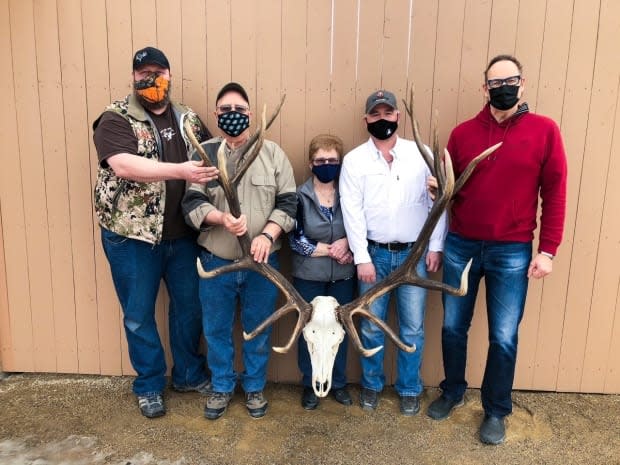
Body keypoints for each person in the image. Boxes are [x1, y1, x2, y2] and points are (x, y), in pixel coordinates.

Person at [426, 54, 568, 445]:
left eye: (510, 80)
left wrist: (548, 250)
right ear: (484, 88)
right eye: (495, 82)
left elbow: (555, 193)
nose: (503, 87)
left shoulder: (544, 131)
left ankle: (495, 410)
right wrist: (436, 188)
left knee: (503, 336)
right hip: (462, 246)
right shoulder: (463, 134)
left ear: (522, 84)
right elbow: (445, 186)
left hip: (512, 249)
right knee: (454, 327)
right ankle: (452, 391)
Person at [93, 46, 218, 418]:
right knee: (138, 313)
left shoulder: (189, 119)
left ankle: (189, 373)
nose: (151, 79)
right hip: (132, 237)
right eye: (143, 73)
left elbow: (214, 155)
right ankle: (149, 384)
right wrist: (181, 170)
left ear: (169, 75)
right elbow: (123, 165)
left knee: (189, 307)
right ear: (133, 78)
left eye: (158, 72)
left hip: (182, 237)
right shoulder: (115, 118)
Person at [182, 82, 297, 420]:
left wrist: (268, 234)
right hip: (216, 263)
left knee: (257, 328)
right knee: (215, 329)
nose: (233, 115)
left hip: (262, 265)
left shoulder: (272, 153)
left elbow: (289, 202)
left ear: (250, 113)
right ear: (216, 115)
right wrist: (220, 218)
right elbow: (191, 202)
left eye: (240, 110)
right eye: (225, 110)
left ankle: (254, 388)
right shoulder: (201, 153)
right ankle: (221, 388)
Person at [339, 90, 447, 416]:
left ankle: (409, 388)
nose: (382, 119)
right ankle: (372, 385)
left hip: (415, 255)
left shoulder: (422, 154)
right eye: (376, 114)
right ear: (366, 120)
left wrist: (436, 245)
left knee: (412, 326)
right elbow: (352, 211)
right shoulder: (355, 161)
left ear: (398, 116)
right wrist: (361, 256)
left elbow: (438, 202)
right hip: (375, 254)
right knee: (371, 324)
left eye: (388, 113)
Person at [289, 134, 356, 410]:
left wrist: (349, 243)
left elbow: (360, 227)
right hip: (308, 277)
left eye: (332, 160)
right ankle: (310, 383)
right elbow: (295, 239)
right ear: (310, 163)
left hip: (343, 277)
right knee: (310, 332)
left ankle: (337, 382)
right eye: (320, 160)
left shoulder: (350, 193)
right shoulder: (299, 196)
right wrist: (333, 249)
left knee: (339, 330)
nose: (326, 164)